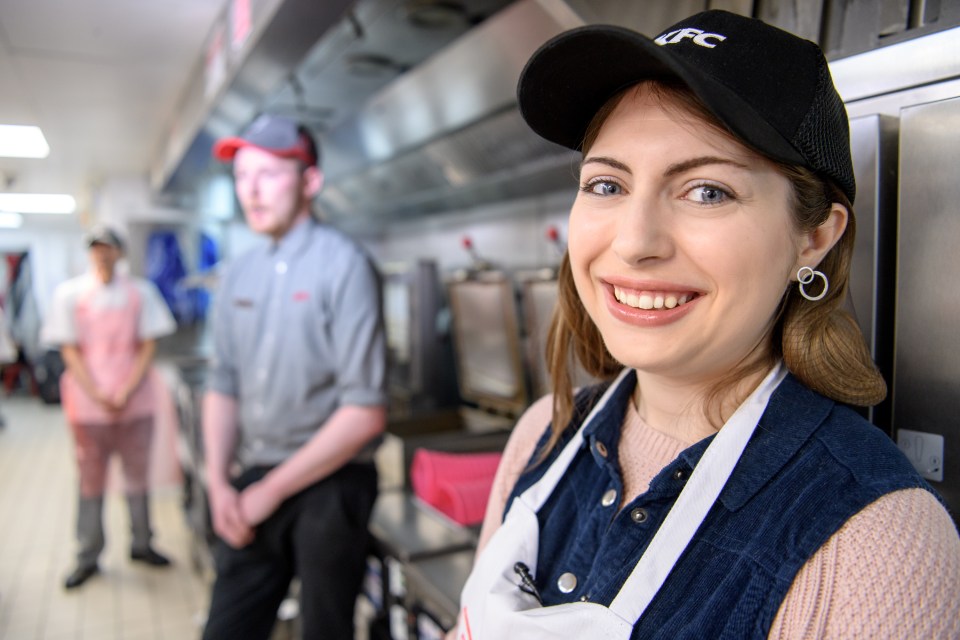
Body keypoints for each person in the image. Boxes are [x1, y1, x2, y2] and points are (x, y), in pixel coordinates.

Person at [454, 10, 960, 639]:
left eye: (707, 191)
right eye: (608, 184)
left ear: (814, 239)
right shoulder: (544, 432)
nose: (635, 242)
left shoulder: (882, 545)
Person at [202, 114, 388, 640]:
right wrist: (219, 483)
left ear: (310, 181)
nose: (251, 191)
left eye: (268, 174)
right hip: (255, 471)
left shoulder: (344, 265)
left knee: (324, 630)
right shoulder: (239, 271)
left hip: (330, 481)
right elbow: (223, 384)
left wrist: (272, 491)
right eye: (241, 176)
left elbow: (365, 412)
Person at [41, 225, 177, 589]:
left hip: (135, 403)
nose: (102, 255)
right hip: (88, 406)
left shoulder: (140, 294)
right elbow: (69, 348)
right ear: (90, 254)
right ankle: (88, 553)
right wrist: (98, 392)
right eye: (96, 249)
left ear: (119, 253)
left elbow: (148, 344)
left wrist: (126, 389)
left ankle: (142, 542)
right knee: (90, 480)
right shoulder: (70, 295)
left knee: (137, 477)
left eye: (108, 248)